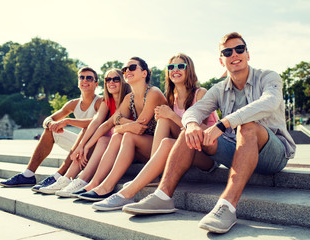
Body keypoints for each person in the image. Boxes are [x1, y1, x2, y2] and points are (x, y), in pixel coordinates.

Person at [122, 32, 296, 234]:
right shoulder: (219, 88)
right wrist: (192, 124)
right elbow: (195, 111)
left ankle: (226, 206)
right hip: (234, 149)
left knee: (247, 126)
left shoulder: (268, 77)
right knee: (190, 131)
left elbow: (270, 102)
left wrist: (224, 124)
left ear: (248, 54)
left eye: (239, 49)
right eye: (227, 52)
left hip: (272, 153)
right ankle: (163, 196)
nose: (234, 54)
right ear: (221, 60)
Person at [92, 53, 219, 211]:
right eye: (171, 67)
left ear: (189, 70)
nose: (175, 70)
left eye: (181, 66)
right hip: (183, 147)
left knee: (166, 124)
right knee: (143, 132)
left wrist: (171, 115)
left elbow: (199, 133)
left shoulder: (200, 94)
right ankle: (114, 184)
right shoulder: (171, 97)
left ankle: (131, 190)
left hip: (207, 154)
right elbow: (113, 122)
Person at [75, 56, 167, 201]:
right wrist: (87, 145)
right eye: (124, 69)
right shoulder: (129, 97)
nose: (127, 71)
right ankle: (95, 183)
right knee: (118, 136)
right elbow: (113, 125)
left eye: (132, 68)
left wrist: (121, 124)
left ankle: (107, 186)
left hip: (159, 150)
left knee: (127, 135)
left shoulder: (153, 93)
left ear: (144, 73)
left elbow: (139, 128)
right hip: (143, 149)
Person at [0, 67, 102, 191]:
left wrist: (68, 121)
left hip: (96, 147)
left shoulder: (100, 102)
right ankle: (28, 175)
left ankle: (58, 176)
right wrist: (51, 124)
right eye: (82, 77)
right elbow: (48, 119)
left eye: (89, 78)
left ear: (96, 84)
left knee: (85, 131)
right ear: (78, 82)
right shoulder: (73, 104)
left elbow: (97, 122)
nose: (85, 80)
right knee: (49, 131)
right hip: (80, 146)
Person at [38, 68, 131, 195]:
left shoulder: (127, 98)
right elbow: (97, 121)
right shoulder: (106, 100)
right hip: (109, 139)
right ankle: (66, 179)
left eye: (116, 79)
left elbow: (106, 124)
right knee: (93, 139)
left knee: (102, 138)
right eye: (108, 79)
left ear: (123, 82)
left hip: (126, 142)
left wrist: (84, 143)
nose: (111, 82)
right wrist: (82, 146)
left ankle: (83, 180)